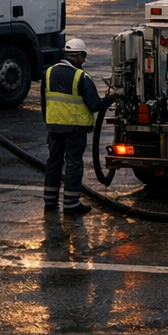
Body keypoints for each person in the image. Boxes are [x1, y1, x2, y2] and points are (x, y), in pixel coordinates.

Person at [42, 37, 103, 216]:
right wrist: (110, 98)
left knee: (53, 162)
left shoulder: (48, 72)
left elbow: (44, 102)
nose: (84, 61)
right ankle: (71, 203)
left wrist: (49, 122)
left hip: (54, 127)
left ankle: (50, 201)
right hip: (75, 128)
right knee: (73, 164)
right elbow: (94, 105)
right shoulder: (80, 77)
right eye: (83, 57)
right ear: (79, 55)